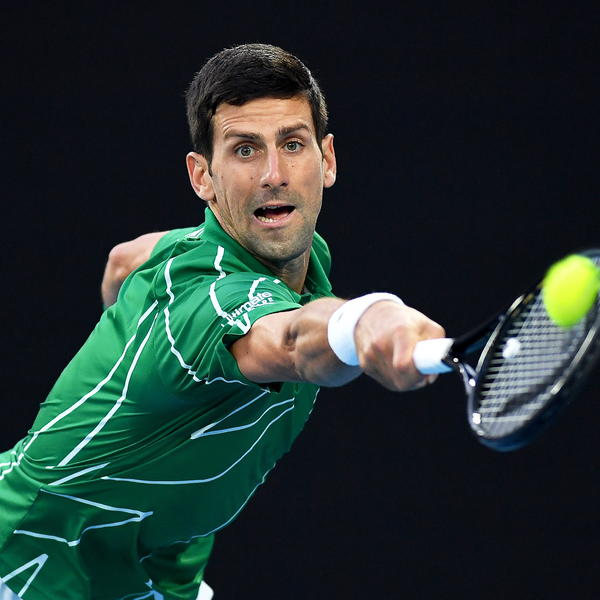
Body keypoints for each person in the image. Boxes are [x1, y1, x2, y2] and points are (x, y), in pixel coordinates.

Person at [0, 43, 444, 600]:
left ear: (327, 160)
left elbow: (123, 259)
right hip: (28, 558)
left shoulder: (276, 258)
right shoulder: (206, 303)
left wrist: (135, 363)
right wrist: (369, 317)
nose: (274, 175)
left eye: (292, 144)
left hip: (148, 565)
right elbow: (293, 341)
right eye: (245, 150)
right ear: (202, 177)